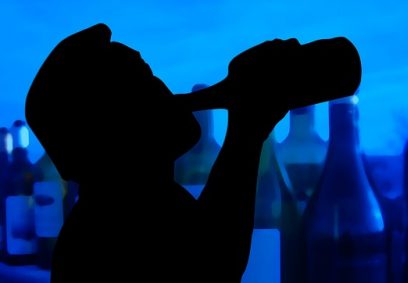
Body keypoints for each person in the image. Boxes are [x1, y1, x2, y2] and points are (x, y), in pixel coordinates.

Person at [25, 23, 292, 282]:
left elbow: (214, 251)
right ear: (110, 128)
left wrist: (248, 127)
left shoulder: (134, 202)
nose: (167, 92)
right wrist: (248, 126)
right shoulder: (115, 227)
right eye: (144, 80)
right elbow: (212, 265)